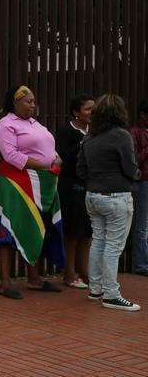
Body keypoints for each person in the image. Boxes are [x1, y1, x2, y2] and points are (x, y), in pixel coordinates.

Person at [0, 85, 64, 299]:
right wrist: (43, 166)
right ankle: (5, 282)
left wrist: (56, 158)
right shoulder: (6, 124)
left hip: (42, 183)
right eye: (28, 101)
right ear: (15, 103)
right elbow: (11, 155)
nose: (33, 105)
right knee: (9, 227)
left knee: (35, 225)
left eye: (34, 101)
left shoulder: (36, 124)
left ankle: (33, 278)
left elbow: (48, 147)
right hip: (16, 183)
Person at [77, 93, 140, 311]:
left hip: (93, 195)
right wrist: (136, 175)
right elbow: (130, 167)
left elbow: (80, 169)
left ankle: (96, 289)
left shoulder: (89, 137)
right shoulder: (121, 135)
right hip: (117, 197)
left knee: (99, 241)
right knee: (113, 245)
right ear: (119, 112)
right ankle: (111, 294)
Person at [56, 94, 94, 288]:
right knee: (72, 229)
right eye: (88, 109)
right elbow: (64, 157)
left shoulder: (93, 131)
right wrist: (83, 142)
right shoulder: (66, 131)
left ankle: (84, 271)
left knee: (87, 231)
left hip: (89, 185)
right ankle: (69, 274)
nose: (92, 113)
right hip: (71, 185)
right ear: (76, 112)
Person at [129, 99, 148, 276]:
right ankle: (141, 265)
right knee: (142, 226)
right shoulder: (134, 133)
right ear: (143, 114)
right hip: (142, 182)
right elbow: (134, 161)